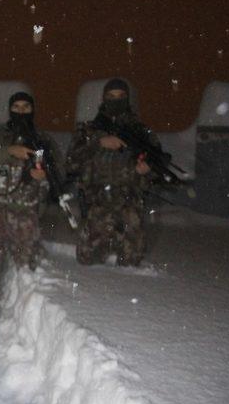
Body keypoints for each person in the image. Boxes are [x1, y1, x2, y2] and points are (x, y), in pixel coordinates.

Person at [66, 78, 160, 267]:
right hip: (97, 202)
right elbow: (71, 162)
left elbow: (157, 164)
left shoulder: (140, 131)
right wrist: (98, 142)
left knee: (132, 263)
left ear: (127, 99)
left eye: (120, 96)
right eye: (111, 96)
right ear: (103, 99)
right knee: (86, 261)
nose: (115, 100)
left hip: (130, 204)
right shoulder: (89, 130)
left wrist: (148, 168)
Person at [0, 92, 50, 308]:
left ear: (32, 110)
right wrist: (9, 151)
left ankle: (26, 310)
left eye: (26, 107)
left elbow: (57, 175)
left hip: (26, 211)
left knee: (27, 266)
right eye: (16, 107)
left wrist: (42, 177)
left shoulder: (42, 139)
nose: (21, 111)